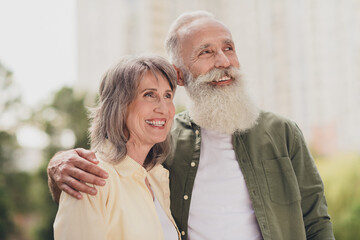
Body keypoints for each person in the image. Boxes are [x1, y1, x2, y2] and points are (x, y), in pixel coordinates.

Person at [48, 11, 335, 240]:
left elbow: (316, 220)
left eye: (228, 48)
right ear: (180, 75)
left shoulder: (283, 132)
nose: (223, 61)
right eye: (206, 52)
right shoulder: (161, 138)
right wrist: (57, 164)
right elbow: (113, 166)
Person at [53, 55, 180, 240]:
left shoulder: (157, 178)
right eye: (149, 95)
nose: (163, 108)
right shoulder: (90, 177)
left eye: (167, 95)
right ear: (119, 105)